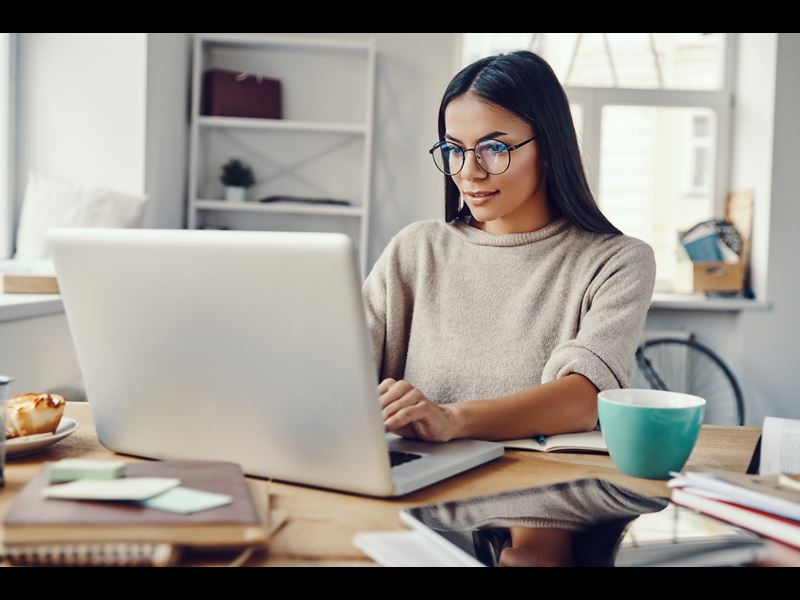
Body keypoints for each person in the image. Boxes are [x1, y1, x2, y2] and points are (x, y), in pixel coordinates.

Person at [363, 50, 656, 443]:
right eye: (454, 150)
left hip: (541, 493)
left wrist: (451, 419)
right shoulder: (414, 250)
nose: (469, 172)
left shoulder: (616, 262)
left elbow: (583, 399)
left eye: (494, 148)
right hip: (416, 486)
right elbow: (342, 367)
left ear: (549, 147)